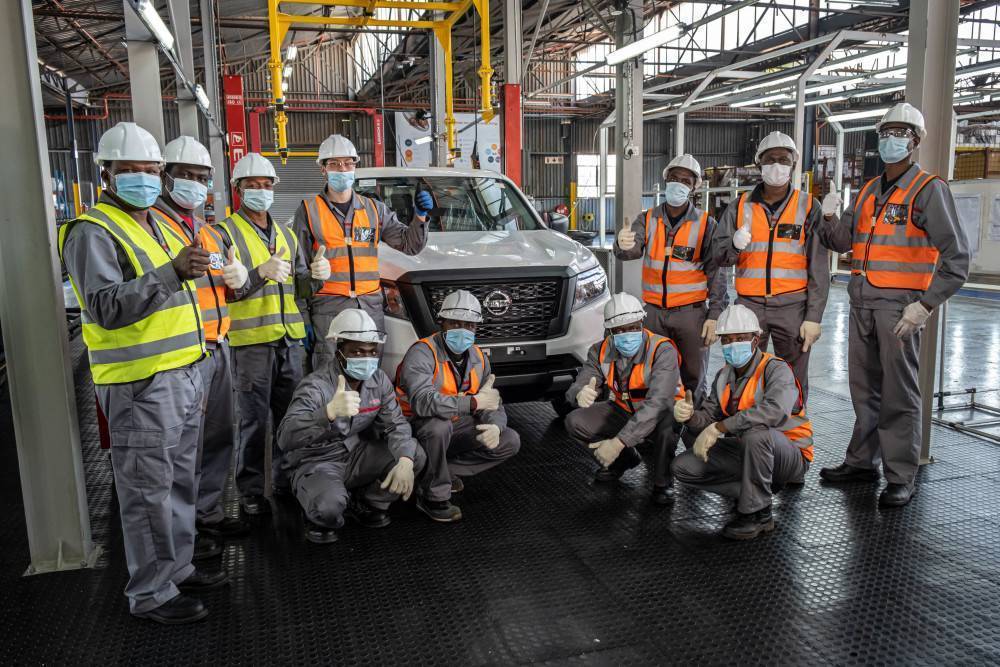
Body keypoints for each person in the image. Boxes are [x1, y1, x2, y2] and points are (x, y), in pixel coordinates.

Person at [59, 122, 224, 624]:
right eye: (130, 170)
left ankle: (176, 567)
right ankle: (151, 593)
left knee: (177, 483)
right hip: (140, 384)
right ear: (105, 174)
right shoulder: (93, 231)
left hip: (182, 373)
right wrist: (173, 272)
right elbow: (106, 307)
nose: (144, 179)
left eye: (150, 170)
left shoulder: (158, 222)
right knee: (147, 491)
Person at [815, 102, 970, 507]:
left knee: (899, 394)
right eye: (885, 133)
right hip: (861, 302)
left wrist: (926, 305)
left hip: (901, 309)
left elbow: (957, 259)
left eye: (899, 133)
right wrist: (829, 218)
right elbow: (842, 242)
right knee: (863, 387)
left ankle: (902, 474)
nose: (890, 140)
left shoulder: (928, 189)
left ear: (915, 141)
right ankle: (862, 461)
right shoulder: (868, 190)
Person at [153, 136, 250, 559]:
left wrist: (241, 279)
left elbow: (231, 291)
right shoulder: (153, 231)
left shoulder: (210, 233)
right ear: (166, 177)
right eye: (186, 176)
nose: (195, 185)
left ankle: (206, 515)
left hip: (218, 346)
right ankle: (186, 534)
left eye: (202, 178)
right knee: (182, 453)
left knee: (217, 441)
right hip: (181, 356)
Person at [214, 153, 320, 516]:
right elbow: (227, 292)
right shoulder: (224, 234)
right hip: (251, 345)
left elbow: (300, 287)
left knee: (289, 419)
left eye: (266, 185)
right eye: (252, 186)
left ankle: (285, 479)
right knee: (253, 421)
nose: (261, 191)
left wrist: (318, 276)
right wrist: (259, 271)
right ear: (238, 189)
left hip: (288, 341)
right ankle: (251, 491)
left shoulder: (287, 235)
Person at [276, 309, 426, 544]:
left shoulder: (378, 380)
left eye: (371, 352)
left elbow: (396, 425)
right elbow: (285, 437)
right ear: (339, 351)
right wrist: (327, 413)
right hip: (318, 460)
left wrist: (405, 460)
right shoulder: (315, 386)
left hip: (356, 454)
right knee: (328, 508)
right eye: (356, 351)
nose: (365, 358)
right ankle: (317, 506)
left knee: (413, 453)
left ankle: (369, 502)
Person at [671, 304, 813, 540]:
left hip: (789, 456)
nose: (732, 344)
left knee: (755, 433)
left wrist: (720, 428)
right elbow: (707, 416)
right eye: (727, 340)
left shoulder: (775, 369)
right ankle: (754, 493)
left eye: (740, 338)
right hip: (752, 452)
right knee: (683, 467)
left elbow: (774, 412)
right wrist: (689, 416)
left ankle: (758, 513)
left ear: (756, 340)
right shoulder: (723, 376)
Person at [291, 134, 430, 368]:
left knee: (369, 371)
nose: (342, 169)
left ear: (355, 166)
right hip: (328, 310)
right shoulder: (308, 211)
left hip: (369, 307)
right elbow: (298, 272)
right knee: (330, 373)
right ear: (323, 169)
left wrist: (420, 216)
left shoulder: (374, 210)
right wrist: (303, 318)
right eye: (334, 164)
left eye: (347, 163)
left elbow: (410, 245)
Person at [713, 131, 829, 404]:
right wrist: (734, 244)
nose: (777, 165)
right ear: (759, 165)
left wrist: (814, 317)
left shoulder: (809, 206)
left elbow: (819, 266)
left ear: (793, 165)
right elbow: (718, 256)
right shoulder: (739, 206)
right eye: (770, 159)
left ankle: (793, 434)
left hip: (793, 307)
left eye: (783, 160)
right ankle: (744, 431)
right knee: (744, 373)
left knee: (794, 376)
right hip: (749, 307)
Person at [395, 290, 521, 522]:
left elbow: (492, 401)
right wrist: (472, 402)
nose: (462, 330)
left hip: (453, 425)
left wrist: (495, 426)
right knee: (437, 426)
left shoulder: (478, 358)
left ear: (476, 328)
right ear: (441, 323)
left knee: (509, 440)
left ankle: (440, 472)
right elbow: (423, 402)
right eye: (455, 323)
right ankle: (433, 496)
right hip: (414, 429)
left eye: (469, 325)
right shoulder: (422, 353)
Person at [614, 154, 727, 402]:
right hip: (654, 314)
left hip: (691, 315)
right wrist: (622, 244)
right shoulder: (647, 219)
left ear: (694, 186)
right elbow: (630, 252)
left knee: (693, 379)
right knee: (653, 372)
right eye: (674, 178)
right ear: (666, 181)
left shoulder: (706, 224)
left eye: (685, 180)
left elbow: (716, 273)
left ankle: (693, 434)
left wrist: (715, 314)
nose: (679, 184)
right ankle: (657, 433)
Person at [563, 292, 683, 505]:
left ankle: (663, 483)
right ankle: (623, 461)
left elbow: (657, 403)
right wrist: (579, 393)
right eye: (620, 330)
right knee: (575, 421)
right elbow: (580, 384)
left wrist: (618, 442)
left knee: (667, 427)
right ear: (609, 331)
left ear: (641, 323)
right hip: (623, 409)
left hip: (661, 412)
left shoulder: (662, 350)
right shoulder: (599, 351)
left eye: (633, 327)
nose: (628, 334)